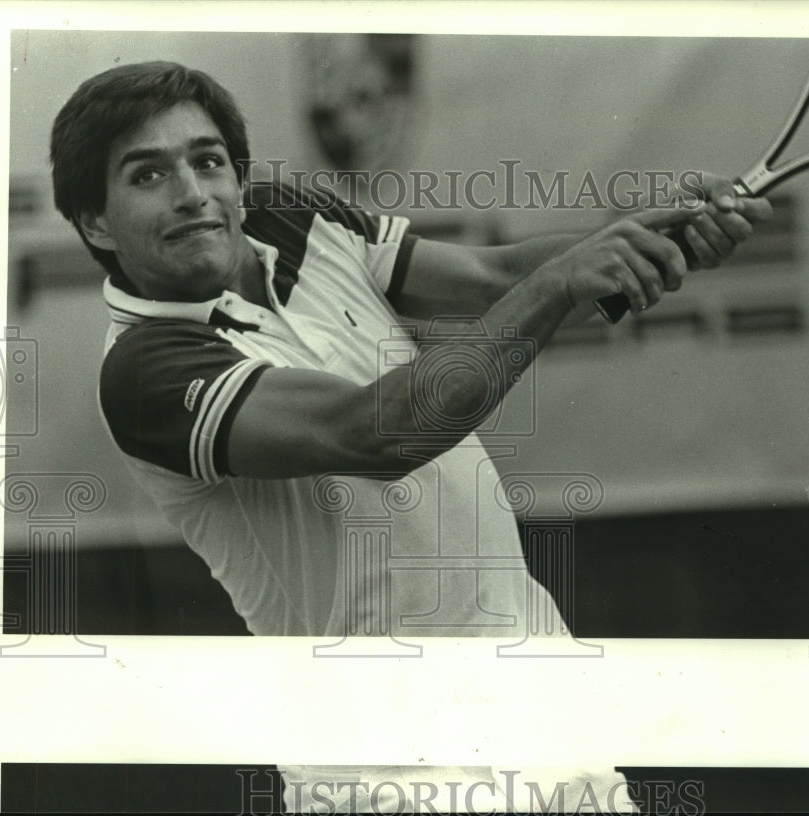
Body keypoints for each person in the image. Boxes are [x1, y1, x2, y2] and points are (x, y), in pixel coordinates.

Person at [50, 60, 771, 812]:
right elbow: (375, 432)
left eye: (208, 162)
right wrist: (562, 282)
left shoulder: (292, 215)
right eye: (148, 176)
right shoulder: (144, 370)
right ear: (96, 221)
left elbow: (491, 278)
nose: (193, 194)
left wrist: (637, 239)